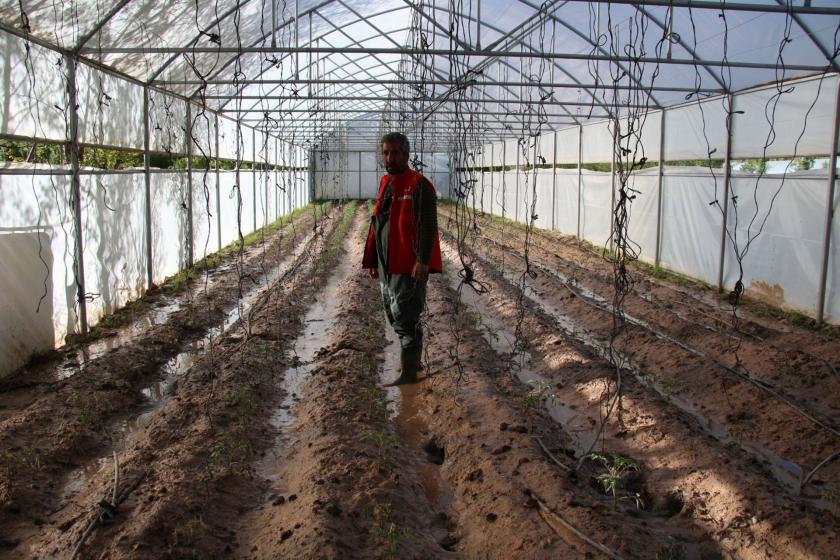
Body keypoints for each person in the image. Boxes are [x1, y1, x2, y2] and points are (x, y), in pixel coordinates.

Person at [362, 132, 442, 385]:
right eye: (386, 152)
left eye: (395, 152)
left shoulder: (419, 184)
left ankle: (409, 374)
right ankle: (413, 364)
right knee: (395, 316)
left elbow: (428, 226)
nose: (390, 157)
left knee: (407, 318)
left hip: (409, 266)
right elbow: (378, 223)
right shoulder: (386, 182)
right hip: (388, 266)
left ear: (406, 154)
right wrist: (373, 259)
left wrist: (422, 260)